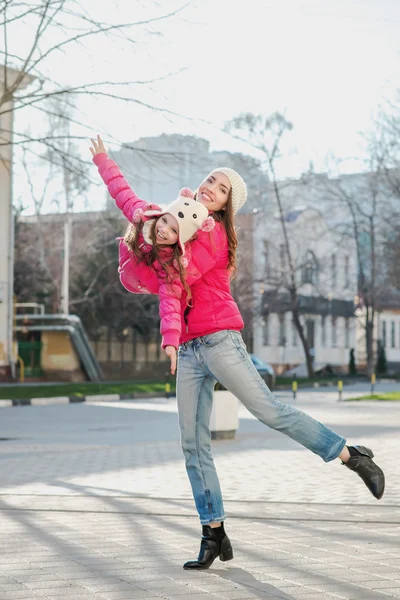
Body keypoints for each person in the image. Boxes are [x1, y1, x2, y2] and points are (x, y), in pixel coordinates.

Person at [91, 136, 385, 572]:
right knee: (192, 444)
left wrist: (162, 244)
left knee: (269, 410)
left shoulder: (214, 238)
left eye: (221, 188)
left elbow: (178, 277)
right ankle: (214, 533)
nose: (211, 186)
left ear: (226, 205)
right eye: (209, 179)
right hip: (190, 351)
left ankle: (349, 454)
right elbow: (129, 199)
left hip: (219, 340)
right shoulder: (173, 222)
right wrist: (105, 164)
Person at [90, 135, 212, 351]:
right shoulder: (144, 214)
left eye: (174, 231)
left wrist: (171, 342)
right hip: (128, 264)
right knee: (130, 210)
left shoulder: (171, 265)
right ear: (160, 214)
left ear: (179, 240)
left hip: (145, 282)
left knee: (176, 285)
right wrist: (103, 161)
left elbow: (170, 305)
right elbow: (121, 190)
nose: (163, 229)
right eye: (165, 220)